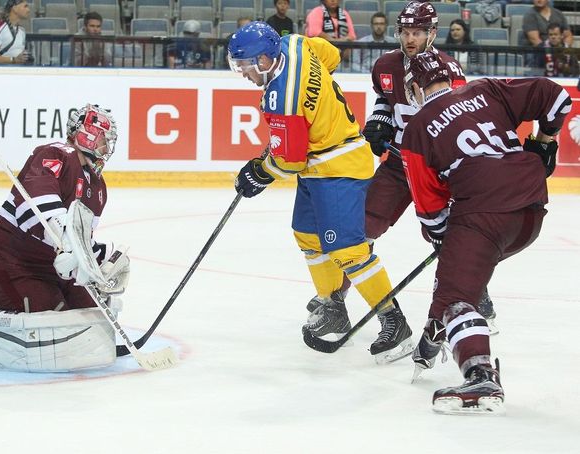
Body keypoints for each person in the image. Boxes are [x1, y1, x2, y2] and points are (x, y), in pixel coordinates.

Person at [228, 21, 414, 364]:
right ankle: (333, 306)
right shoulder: (296, 44)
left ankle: (393, 319)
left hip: (338, 167)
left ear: (267, 60)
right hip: (321, 166)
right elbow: (331, 56)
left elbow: (289, 162)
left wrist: (259, 172)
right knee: (307, 234)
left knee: (348, 249)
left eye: (246, 65)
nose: (242, 72)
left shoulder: (281, 97)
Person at [400, 51, 570, 414]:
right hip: (531, 207)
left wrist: (445, 239)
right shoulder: (487, 89)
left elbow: (430, 210)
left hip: (484, 213)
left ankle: (480, 376)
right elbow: (558, 98)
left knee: (458, 297)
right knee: (455, 284)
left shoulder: (416, 129)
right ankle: (435, 336)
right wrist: (544, 141)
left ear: (415, 87)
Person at [353, 1, 500, 335]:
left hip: (433, 169)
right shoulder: (386, 64)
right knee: (359, 230)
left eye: (417, 32)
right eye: (405, 31)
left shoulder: (448, 70)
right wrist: (379, 122)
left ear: (432, 33)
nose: (410, 38)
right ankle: (340, 299)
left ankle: (474, 293)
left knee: (447, 238)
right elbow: (385, 98)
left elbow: (460, 120)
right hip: (396, 163)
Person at [0, 104, 122, 314]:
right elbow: (32, 206)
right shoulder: (56, 154)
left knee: (93, 310)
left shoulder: (97, 188)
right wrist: (65, 237)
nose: (107, 149)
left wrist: (104, 258)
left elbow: (80, 240)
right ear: (86, 136)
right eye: (103, 140)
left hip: (52, 267)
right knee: (53, 315)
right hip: (13, 262)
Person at [0, 0, 31, 64]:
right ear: (14, 8)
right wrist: (13, 60)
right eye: (25, 6)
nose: (28, 10)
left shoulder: (22, 30)